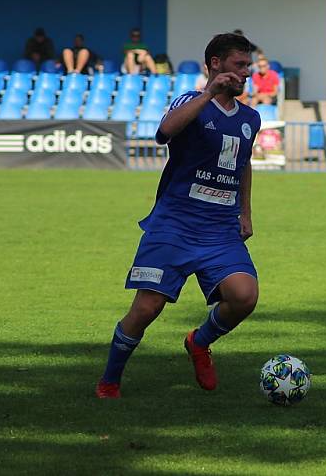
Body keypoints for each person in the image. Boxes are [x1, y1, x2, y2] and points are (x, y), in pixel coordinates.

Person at [96, 33, 260, 398]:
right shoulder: (191, 102)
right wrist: (209, 93)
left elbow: (243, 163)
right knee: (146, 308)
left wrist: (245, 211)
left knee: (245, 295)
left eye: (248, 66)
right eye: (239, 65)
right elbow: (164, 133)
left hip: (220, 229)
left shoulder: (251, 118)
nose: (246, 73)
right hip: (175, 225)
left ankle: (199, 342)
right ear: (216, 64)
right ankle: (110, 380)